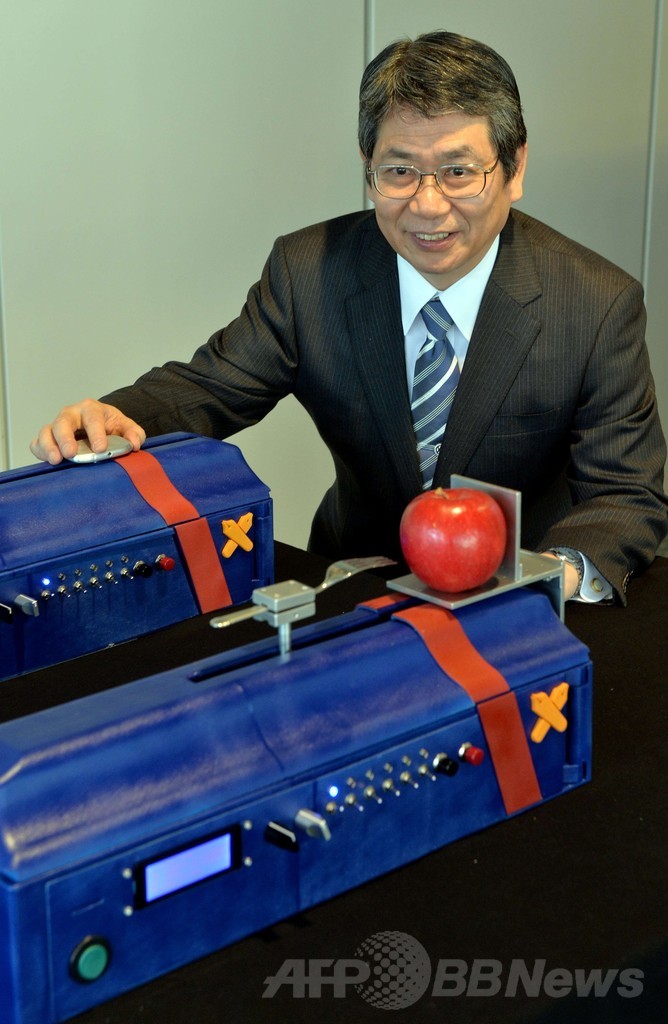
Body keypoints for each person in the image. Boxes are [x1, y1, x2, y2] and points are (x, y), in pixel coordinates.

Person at [30, 31, 667, 604]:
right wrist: (113, 418)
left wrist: (548, 576)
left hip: (516, 595)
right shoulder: (309, 272)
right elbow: (208, 389)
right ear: (368, 169)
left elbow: (626, 492)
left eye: (458, 171)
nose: (427, 205)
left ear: (515, 167)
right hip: (354, 580)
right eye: (399, 171)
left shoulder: (595, 303)